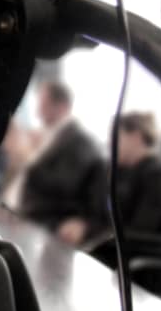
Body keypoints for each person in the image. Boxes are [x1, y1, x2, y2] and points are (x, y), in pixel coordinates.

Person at [17, 80, 107, 246]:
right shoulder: (50, 135)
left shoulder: (78, 140)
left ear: (62, 106)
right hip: (25, 215)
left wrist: (28, 158)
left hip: (47, 222)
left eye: (43, 105)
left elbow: (63, 186)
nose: (38, 112)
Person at [113, 112, 161, 233]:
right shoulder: (122, 173)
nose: (110, 144)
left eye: (116, 138)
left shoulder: (157, 177)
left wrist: (90, 231)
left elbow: (141, 230)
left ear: (135, 137)